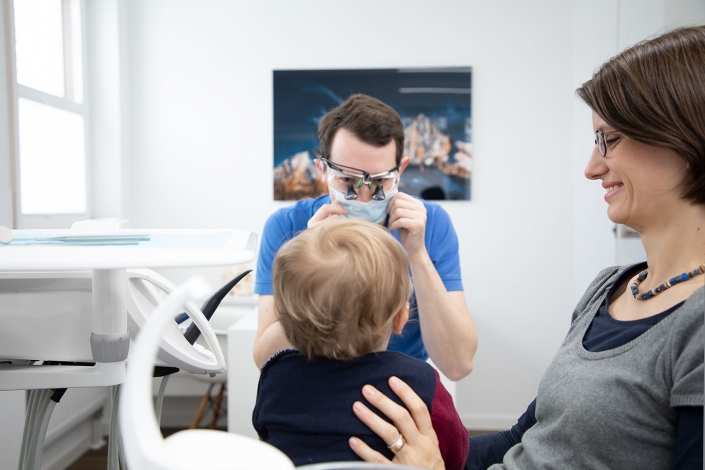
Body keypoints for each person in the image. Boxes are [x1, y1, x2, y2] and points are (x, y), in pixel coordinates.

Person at [347, 25, 704, 470]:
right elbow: (528, 438)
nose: (592, 168)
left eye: (608, 139)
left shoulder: (696, 325)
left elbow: (458, 362)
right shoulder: (608, 289)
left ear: (684, 138)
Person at [254, 94, 477, 380]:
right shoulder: (286, 226)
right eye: (347, 180)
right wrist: (306, 260)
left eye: (380, 181)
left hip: (398, 387)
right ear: (322, 169)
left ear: (401, 171)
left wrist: (417, 255)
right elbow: (264, 359)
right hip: (313, 384)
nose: (364, 196)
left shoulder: (430, 224)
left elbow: (457, 365)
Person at [252, 218, 469, 469]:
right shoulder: (419, 381)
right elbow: (455, 454)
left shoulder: (277, 375)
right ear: (401, 318)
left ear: (285, 322)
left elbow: (266, 436)